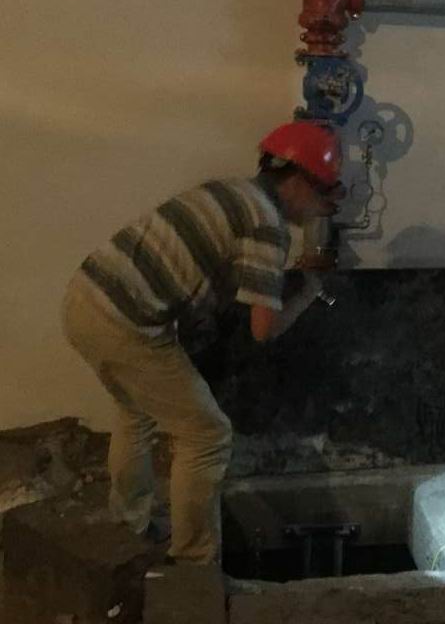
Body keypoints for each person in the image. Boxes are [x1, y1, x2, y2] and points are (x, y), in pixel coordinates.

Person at [61, 120, 343, 564]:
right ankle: (193, 561)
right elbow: (263, 330)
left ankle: (129, 522)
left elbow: (210, 273)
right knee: (207, 434)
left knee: (136, 412)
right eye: (324, 195)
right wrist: (308, 290)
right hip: (125, 323)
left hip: (85, 298)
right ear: (298, 182)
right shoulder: (268, 224)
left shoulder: (228, 191)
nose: (321, 211)